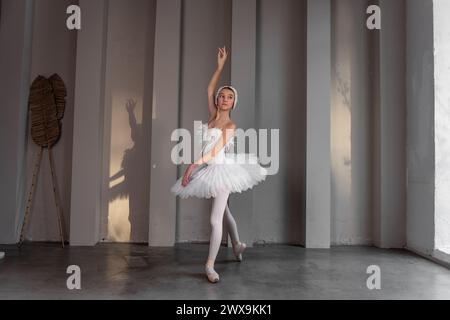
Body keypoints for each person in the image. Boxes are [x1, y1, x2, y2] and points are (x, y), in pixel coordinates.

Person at [171, 46, 267, 283]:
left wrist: (193, 166)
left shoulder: (230, 126)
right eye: (222, 96)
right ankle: (237, 245)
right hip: (209, 168)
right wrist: (220, 67)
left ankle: (210, 266)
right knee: (225, 212)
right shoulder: (213, 116)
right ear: (217, 101)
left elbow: (215, 151)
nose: (224, 99)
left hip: (223, 170)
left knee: (215, 220)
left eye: (229, 97)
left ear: (234, 103)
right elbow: (208, 88)